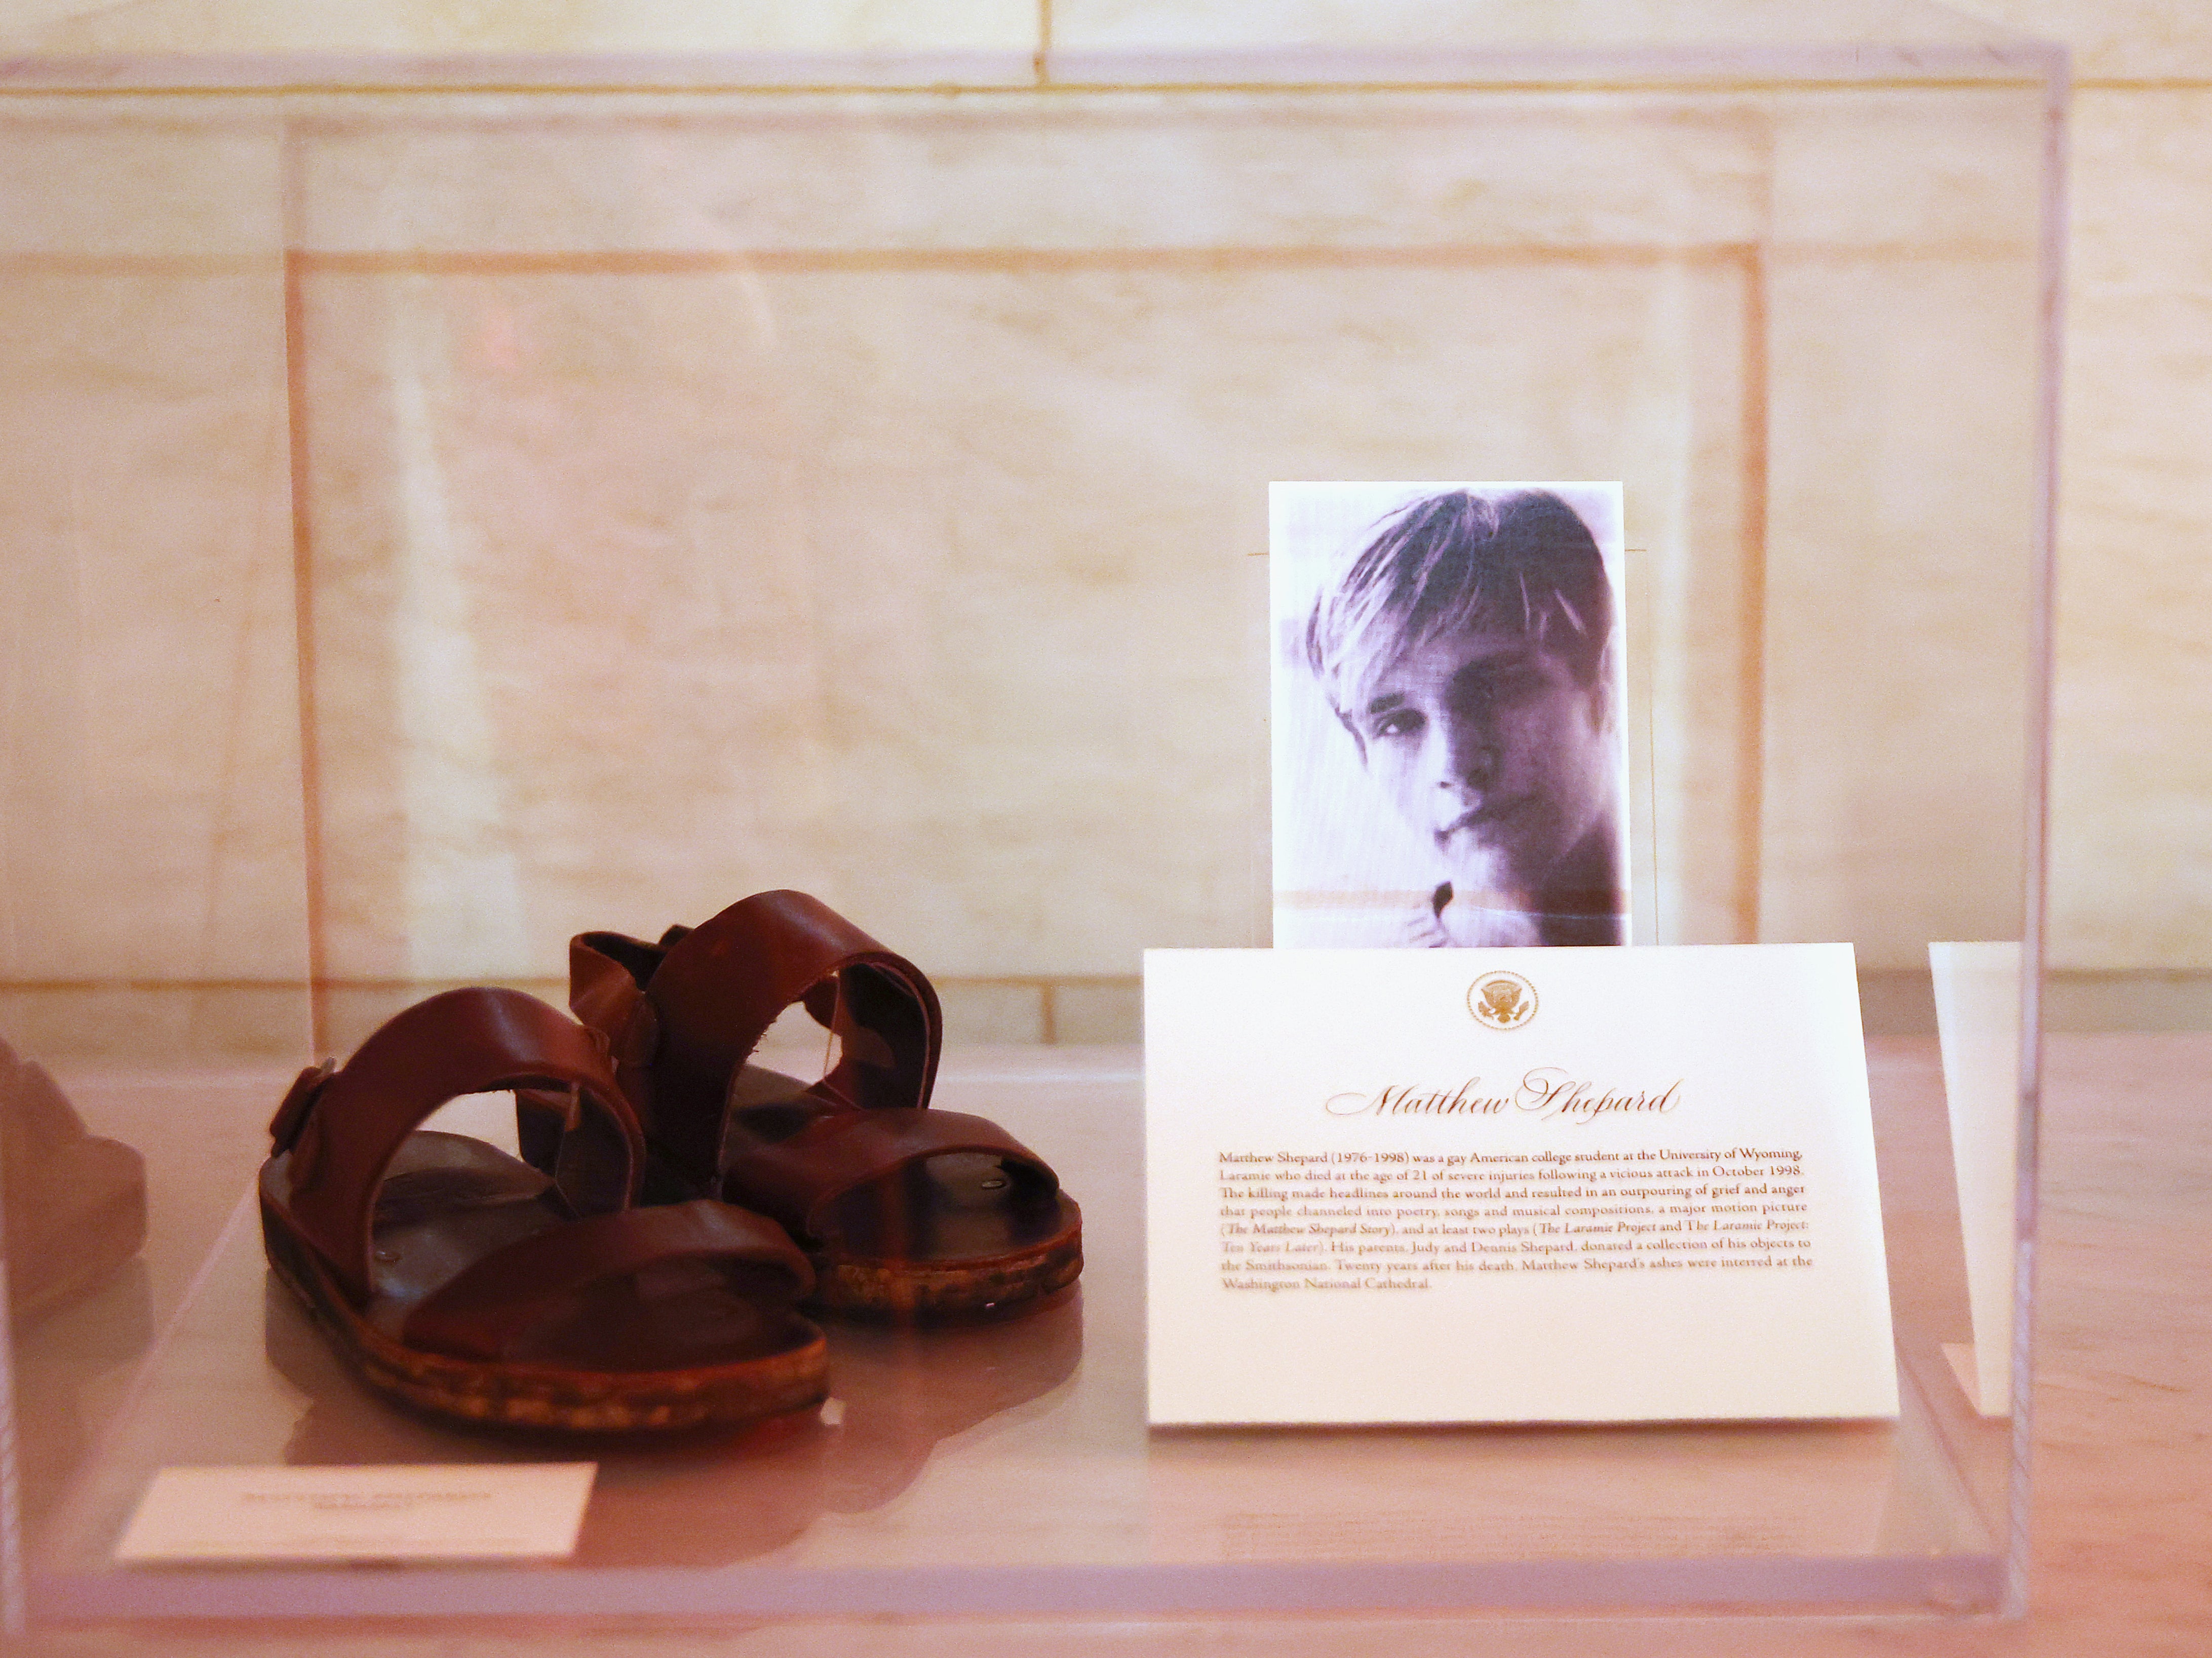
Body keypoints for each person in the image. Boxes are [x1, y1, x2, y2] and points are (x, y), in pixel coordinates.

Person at [1302, 488, 1625, 946]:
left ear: (1604, 683)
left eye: (1494, 689)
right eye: (1397, 724)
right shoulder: (1354, 992)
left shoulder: (1718, 917)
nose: (1454, 765)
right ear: (1361, 752)